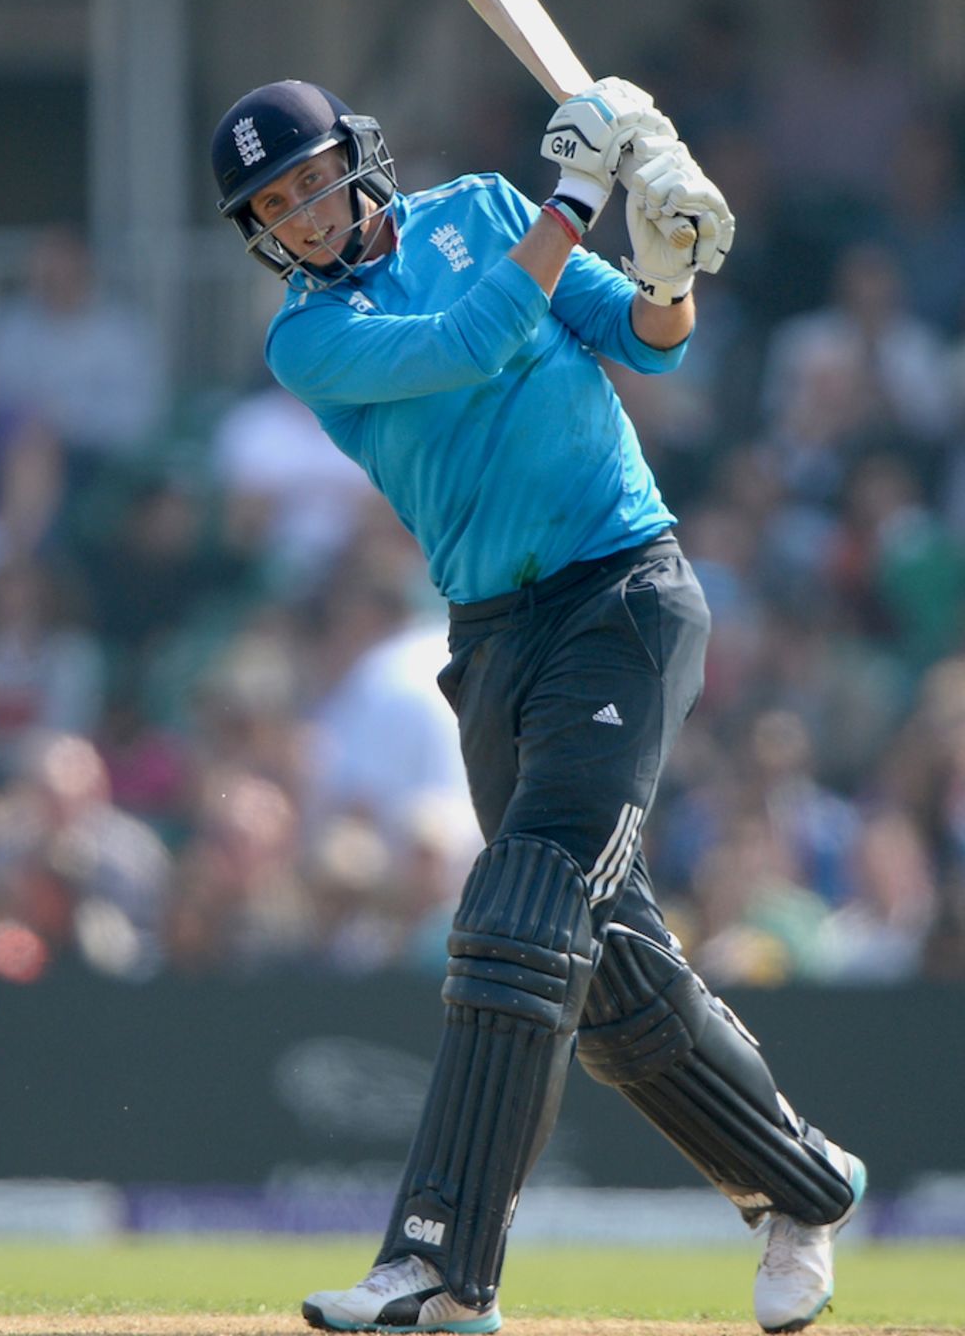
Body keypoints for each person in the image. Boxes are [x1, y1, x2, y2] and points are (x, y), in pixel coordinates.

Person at [209, 78, 863, 1335]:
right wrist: (575, 198)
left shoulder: (483, 209)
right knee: (601, 969)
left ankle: (439, 1264)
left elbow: (642, 337)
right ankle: (802, 1181)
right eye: (274, 204)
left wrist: (667, 262)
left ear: (359, 157)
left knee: (517, 908)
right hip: (493, 641)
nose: (302, 212)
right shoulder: (306, 339)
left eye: (310, 178)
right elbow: (468, 339)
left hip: (621, 596)